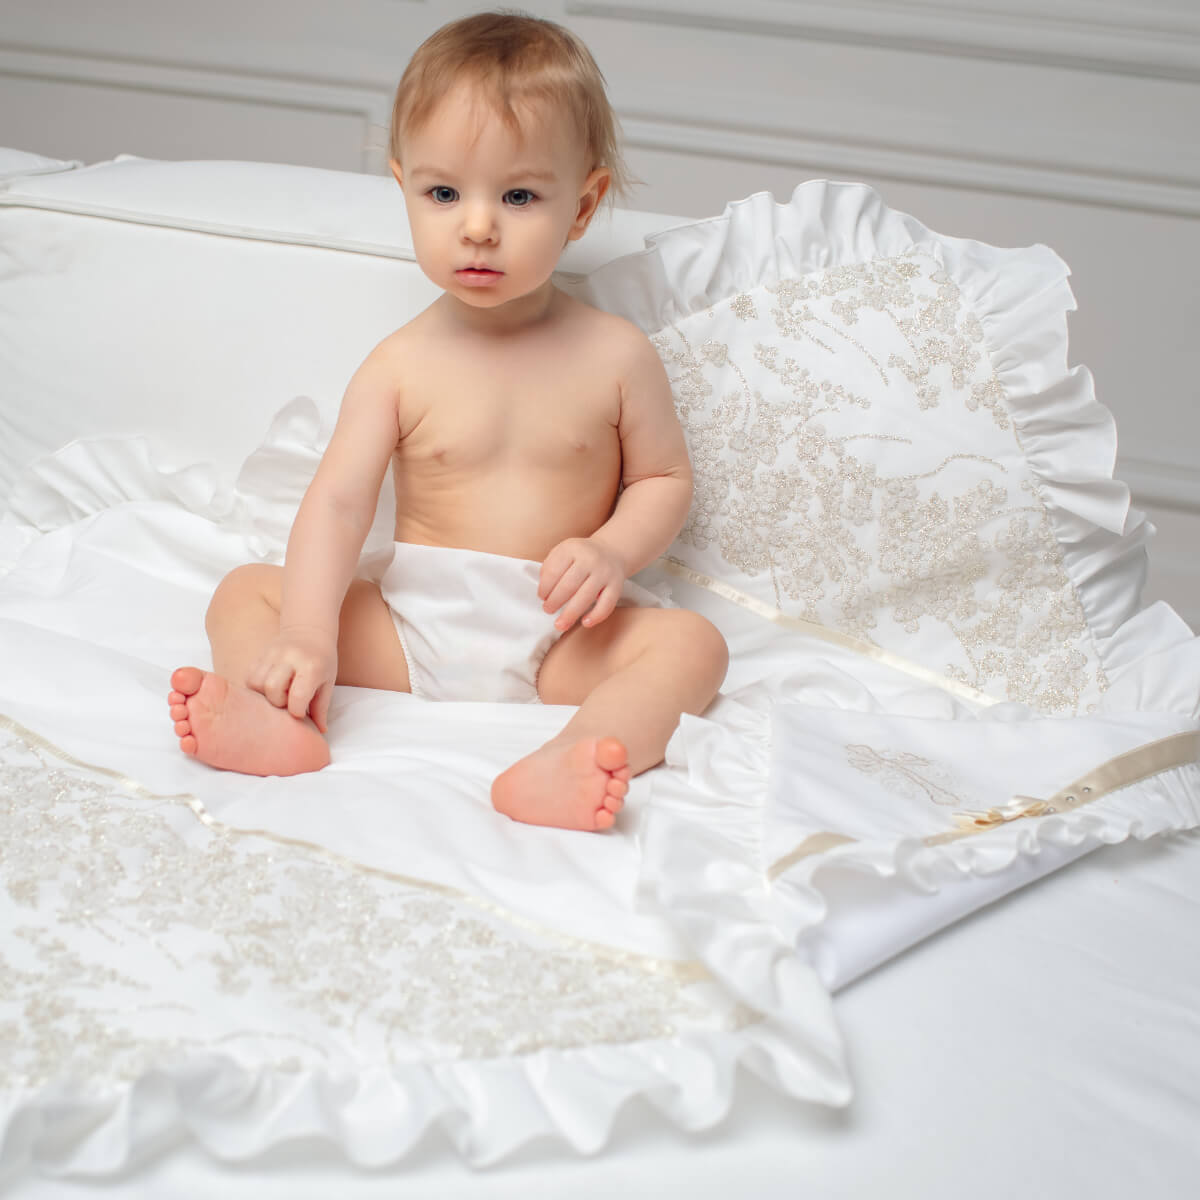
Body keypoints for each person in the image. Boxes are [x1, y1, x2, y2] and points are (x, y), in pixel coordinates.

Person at [166, 10, 728, 832]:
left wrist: (612, 550)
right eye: (443, 192)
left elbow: (662, 479)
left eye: (520, 195)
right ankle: (281, 718)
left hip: (562, 632)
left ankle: (573, 754)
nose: (477, 225)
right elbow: (337, 504)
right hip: (408, 624)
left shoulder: (616, 356)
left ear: (584, 204)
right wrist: (309, 634)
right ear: (404, 189)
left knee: (692, 648)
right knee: (246, 594)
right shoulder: (399, 364)